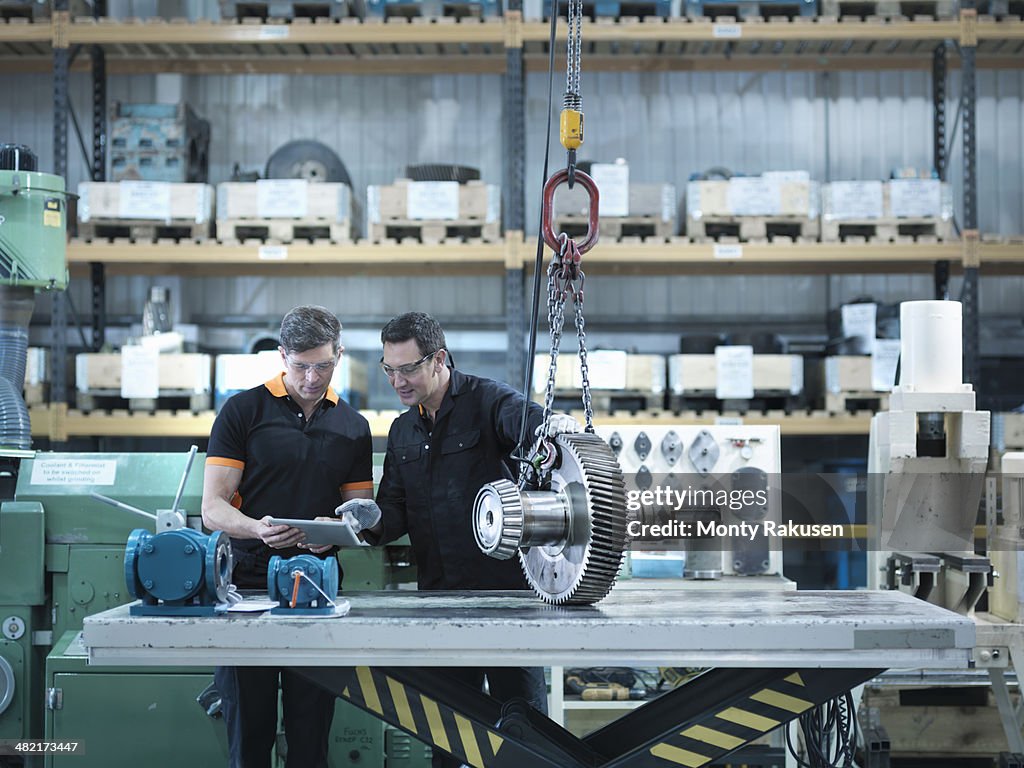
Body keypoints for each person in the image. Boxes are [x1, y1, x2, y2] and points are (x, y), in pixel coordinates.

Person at [350, 311, 577, 768]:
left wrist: (552, 428)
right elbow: (394, 512)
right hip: (440, 604)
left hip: (508, 602)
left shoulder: (489, 401)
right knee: (447, 738)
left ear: (439, 360)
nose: (398, 381)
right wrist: (370, 520)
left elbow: (530, 424)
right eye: (389, 369)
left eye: (409, 368)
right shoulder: (402, 431)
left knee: (525, 735)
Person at [201, 305, 373, 768]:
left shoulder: (353, 428)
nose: (312, 377)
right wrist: (258, 529)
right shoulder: (243, 411)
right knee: (248, 731)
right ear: (282, 356)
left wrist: (335, 534)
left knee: (311, 733)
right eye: (300, 365)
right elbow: (212, 508)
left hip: (318, 588)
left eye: (323, 365)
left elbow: (359, 514)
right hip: (246, 588)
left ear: (340, 355)